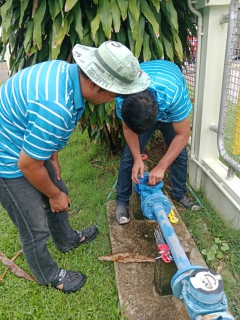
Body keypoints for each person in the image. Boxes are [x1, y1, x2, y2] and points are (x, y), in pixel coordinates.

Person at [0, 41, 150, 293]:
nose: (112, 100)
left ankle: (66, 239)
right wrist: (54, 194)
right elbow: (27, 164)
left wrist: (53, 157)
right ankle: (48, 276)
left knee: (58, 188)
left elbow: (39, 128)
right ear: (94, 84)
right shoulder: (55, 108)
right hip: (8, 158)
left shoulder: (67, 77)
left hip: (24, 143)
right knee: (34, 224)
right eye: (113, 94)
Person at [115, 59, 200, 225]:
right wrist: (137, 158)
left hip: (168, 98)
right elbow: (127, 129)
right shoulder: (123, 98)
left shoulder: (173, 93)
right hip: (145, 103)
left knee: (179, 155)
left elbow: (182, 135)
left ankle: (180, 194)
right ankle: (122, 202)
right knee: (129, 157)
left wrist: (161, 167)